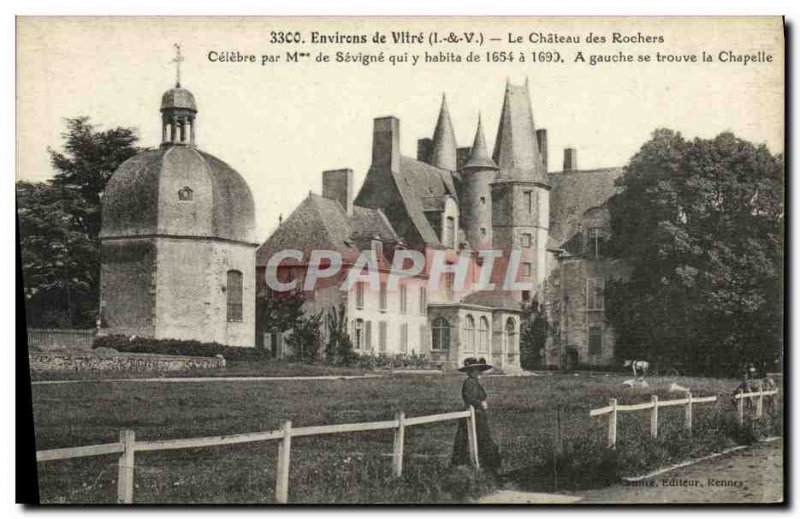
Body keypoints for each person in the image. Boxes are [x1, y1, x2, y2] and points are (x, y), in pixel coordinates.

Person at [451, 357, 502, 475]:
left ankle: (481, 464)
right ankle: (487, 465)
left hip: (478, 415)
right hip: (475, 414)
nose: (480, 373)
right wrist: (481, 404)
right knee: (478, 439)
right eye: (476, 370)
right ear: (470, 372)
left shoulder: (474, 382)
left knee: (476, 438)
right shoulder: (470, 382)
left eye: (480, 370)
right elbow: (469, 398)